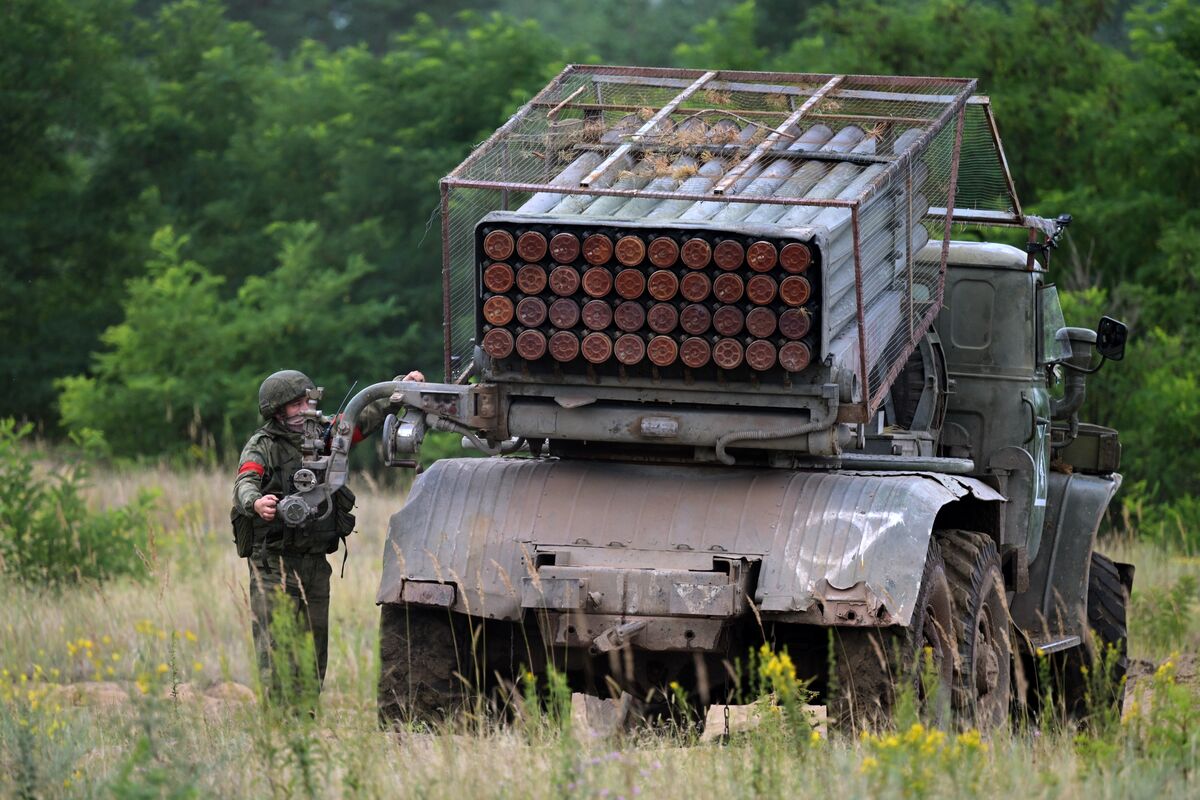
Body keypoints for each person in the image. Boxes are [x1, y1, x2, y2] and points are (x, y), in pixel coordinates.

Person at [232, 368, 423, 705]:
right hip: (274, 564)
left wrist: (399, 390)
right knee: (277, 647)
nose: (306, 407)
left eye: (308, 399)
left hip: (314, 564)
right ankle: (279, 722)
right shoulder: (263, 445)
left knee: (313, 647)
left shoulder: (325, 435)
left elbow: (361, 420)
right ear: (278, 412)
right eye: (296, 404)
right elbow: (245, 481)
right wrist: (255, 502)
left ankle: (304, 718)